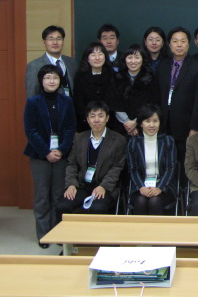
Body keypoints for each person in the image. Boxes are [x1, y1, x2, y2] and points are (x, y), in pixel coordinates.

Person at [23, 64, 76, 247]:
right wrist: (46, 152)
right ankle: (44, 234)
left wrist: (61, 149)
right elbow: (30, 130)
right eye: (47, 78)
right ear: (41, 81)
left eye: (55, 77)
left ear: (60, 80)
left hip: (61, 154)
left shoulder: (66, 101)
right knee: (42, 195)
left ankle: (57, 232)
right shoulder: (33, 102)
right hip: (40, 155)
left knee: (58, 195)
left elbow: (70, 127)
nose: (51, 81)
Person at [57, 101, 127, 217]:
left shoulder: (118, 140)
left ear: (107, 118)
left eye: (100, 116)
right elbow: (72, 164)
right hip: (82, 186)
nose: (96, 120)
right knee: (62, 206)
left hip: (105, 187)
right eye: (93, 116)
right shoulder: (79, 138)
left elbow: (117, 167)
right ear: (88, 119)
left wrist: (103, 186)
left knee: (97, 208)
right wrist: (71, 184)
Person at [156, 27, 198, 165]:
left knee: (184, 162)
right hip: (163, 124)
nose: (179, 45)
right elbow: (156, 94)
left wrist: (194, 127)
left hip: (186, 126)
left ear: (188, 44)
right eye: (175, 41)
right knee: (164, 162)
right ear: (169, 44)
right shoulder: (162, 66)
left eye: (183, 41)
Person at [127, 104, 177, 215]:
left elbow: (170, 168)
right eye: (147, 121)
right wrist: (141, 187)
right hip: (141, 186)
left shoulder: (168, 141)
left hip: (164, 187)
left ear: (160, 123)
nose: (151, 125)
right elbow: (133, 169)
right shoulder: (134, 143)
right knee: (140, 201)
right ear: (141, 124)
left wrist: (160, 187)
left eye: (155, 121)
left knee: (154, 201)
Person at [114, 44, 161, 138]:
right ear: (125, 59)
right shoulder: (117, 77)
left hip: (144, 125)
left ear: (143, 59)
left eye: (137, 57)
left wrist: (136, 122)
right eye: (129, 57)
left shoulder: (151, 78)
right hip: (120, 126)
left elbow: (153, 103)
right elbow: (115, 103)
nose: (133, 61)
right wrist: (128, 123)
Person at [72, 42, 121, 133]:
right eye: (93, 55)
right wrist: (90, 119)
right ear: (87, 58)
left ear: (105, 56)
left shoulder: (113, 75)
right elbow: (78, 102)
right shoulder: (80, 76)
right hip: (86, 124)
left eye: (100, 54)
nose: (97, 58)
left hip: (110, 124)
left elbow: (115, 101)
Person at [26, 25, 77, 98]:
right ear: (44, 42)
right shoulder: (34, 65)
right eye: (51, 39)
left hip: (70, 104)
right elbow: (31, 94)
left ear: (63, 41)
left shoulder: (71, 62)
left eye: (59, 38)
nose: (55, 42)